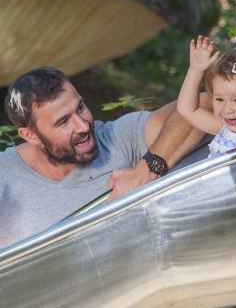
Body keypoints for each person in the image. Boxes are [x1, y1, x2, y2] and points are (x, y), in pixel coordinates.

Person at [0, 66, 207, 249]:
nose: (82, 126)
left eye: (80, 108)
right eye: (63, 122)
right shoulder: (4, 176)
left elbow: (203, 105)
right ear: (30, 135)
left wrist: (148, 169)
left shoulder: (117, 138)